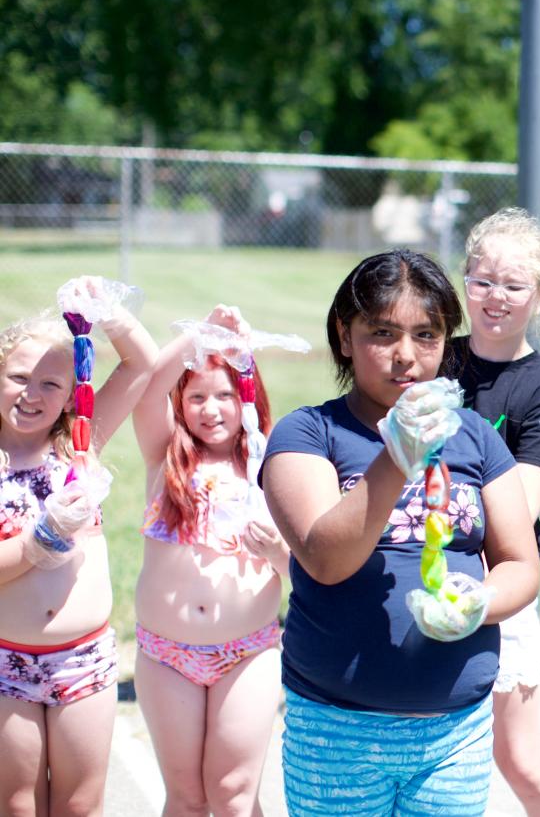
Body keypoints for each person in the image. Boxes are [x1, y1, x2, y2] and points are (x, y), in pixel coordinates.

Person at [260, 248, 540, 816]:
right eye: (382, 333)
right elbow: (325, 559)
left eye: (426, 335)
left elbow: (520, 562)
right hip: (336, 731)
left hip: (453, 732)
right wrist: (396, 456)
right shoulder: (309, 433)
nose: (405, 357)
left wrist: (480, 603)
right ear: (345, 334)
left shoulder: (477, 438)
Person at [0, 278, 158, 816]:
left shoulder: (78, 445)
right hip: (6, 662)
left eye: (51, 384)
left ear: (73, 395)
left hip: (82, 659)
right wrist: (38, 541)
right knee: (17, 804)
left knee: (79, 805)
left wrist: (106, 311)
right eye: (18, 377)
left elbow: (142, 364)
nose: (32, 394)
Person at [131, 304, 288, 815]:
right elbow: (150, 385)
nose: (210, 408)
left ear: (247, 397)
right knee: (187, 797)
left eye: (224, 395)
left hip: (247, 652)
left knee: (234, 794)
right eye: (196, 396)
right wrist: (203, 334)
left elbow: (304, 569)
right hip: (166, 654)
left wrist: (277, 552)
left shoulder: (271, 461)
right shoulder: (166, 455)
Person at [452, 208, 540, 816]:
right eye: (482, 281)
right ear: (464, 281)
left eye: (513, 285)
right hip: (418, 567)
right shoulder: (434, 362)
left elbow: (518, 512)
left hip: (496, 582)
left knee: (518, 756)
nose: (495, 297)